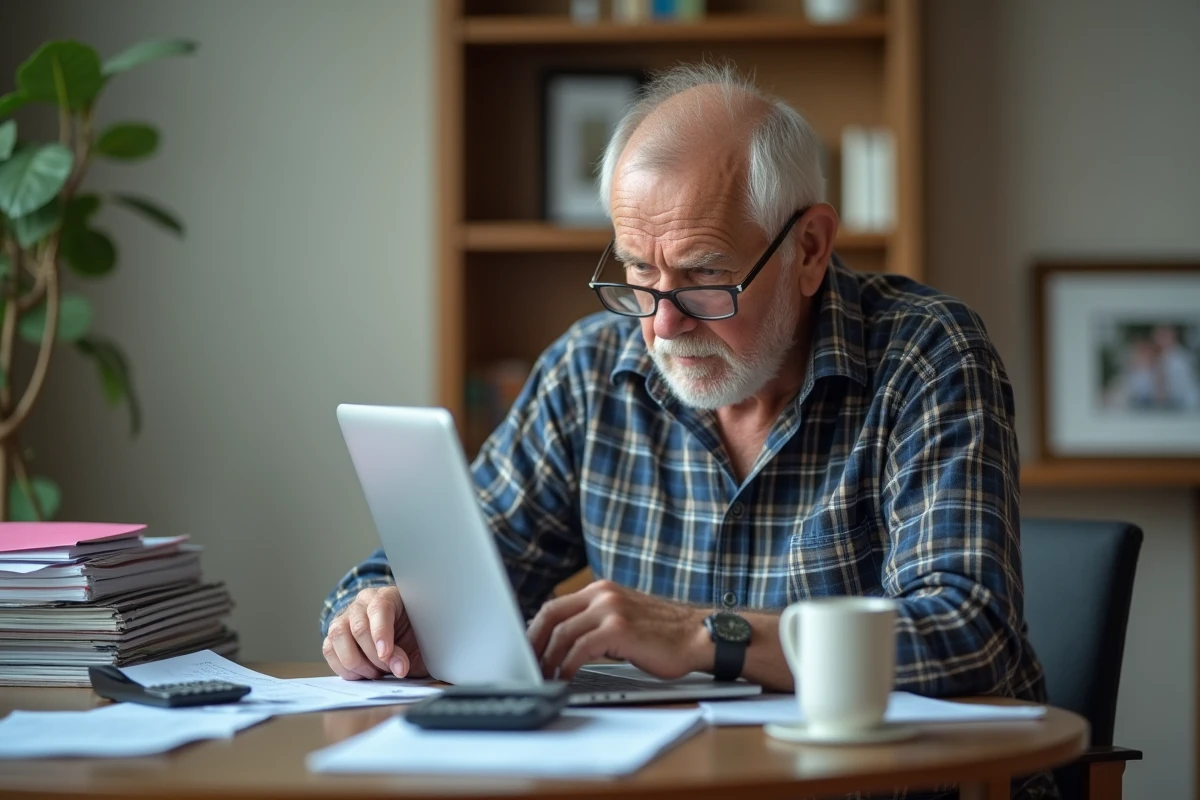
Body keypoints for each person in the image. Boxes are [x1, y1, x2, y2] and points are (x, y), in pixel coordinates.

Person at [321, 64, 1054, 799]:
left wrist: (701, 633)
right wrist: (382, 610)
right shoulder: (590, 369)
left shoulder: (925, 354)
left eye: (704, 277)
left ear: (808, 250)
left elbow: (968, 632)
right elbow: (454, 566)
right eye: (639, 272)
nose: (662, 324)